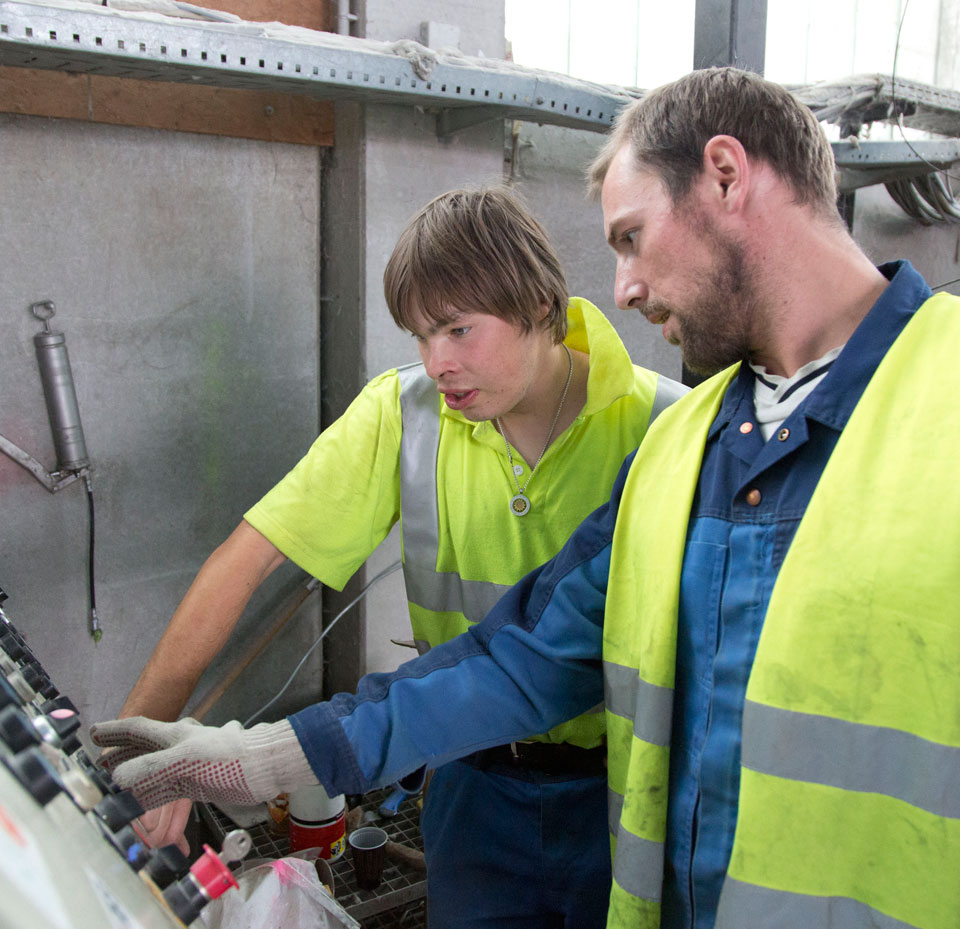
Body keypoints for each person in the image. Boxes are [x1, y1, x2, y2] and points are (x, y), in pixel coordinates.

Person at [93, 67, 960, 929]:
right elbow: (526, 656)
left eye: (630, 236)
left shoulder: (917, 396)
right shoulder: (690, 446)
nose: (620, 287)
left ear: (727, 176)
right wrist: (258, 756)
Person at [109, 186, 686, 927]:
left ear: (543, 305)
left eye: (457, 330)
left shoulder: (668, 427)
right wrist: (143, 758)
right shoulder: (406, 413)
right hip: (470, 782)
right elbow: (244, 562)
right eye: (419, 335)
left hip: (627, 788)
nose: (436, 362)